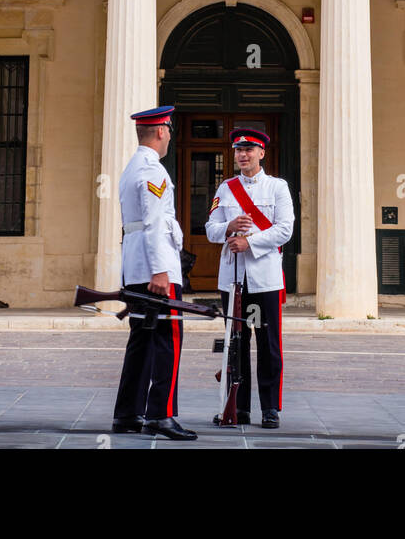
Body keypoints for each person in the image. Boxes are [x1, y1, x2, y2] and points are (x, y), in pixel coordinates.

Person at [111, 105, 197, 441]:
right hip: (154, 272)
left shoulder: (131, 168)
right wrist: (161, 270)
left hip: (135, 267)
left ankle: (128, 414)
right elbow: (153, 223)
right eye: (170, 130)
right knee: (168, 340)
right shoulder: (153, 171)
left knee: (142, 340)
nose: (170, 136)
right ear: (161, 131)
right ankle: (161, 414)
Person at [206, 127, 294, 428]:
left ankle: (271, 408)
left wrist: (250, 241)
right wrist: (229, 226)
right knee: (236, 344)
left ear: (261, 153)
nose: (242, 155)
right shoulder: (226, 188)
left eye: (248, 150)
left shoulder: (277, 187)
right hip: (233, 278)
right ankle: (237, 407)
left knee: (267, 344)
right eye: (238, 150)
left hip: (264, 279)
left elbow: (285, 229)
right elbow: (210, 229)